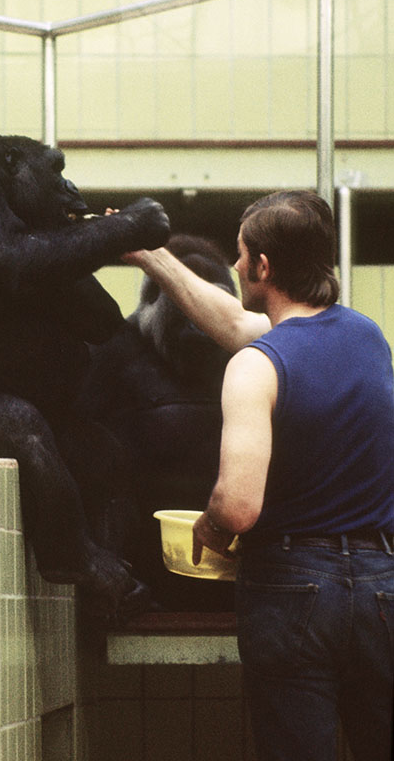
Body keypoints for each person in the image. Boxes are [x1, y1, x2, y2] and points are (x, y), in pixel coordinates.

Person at [122, 190, 394, 761]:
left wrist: (209, 524)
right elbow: (237, 321)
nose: (237, 267)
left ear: (263, 267)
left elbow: (240, 506)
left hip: (294, 589)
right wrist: (153, 256)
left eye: (243, 256)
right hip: (381, 585)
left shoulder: (255, 366)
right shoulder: (368, 338)